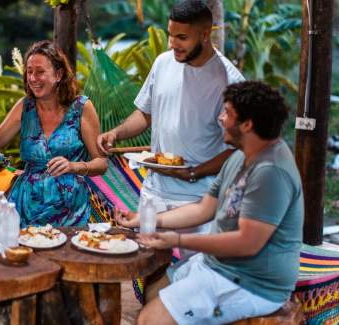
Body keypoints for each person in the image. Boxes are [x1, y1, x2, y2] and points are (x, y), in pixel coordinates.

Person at [116, 81, 304, 324]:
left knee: (150, 319)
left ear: (247, 125)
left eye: (227, 113)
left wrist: (178, 240)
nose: (220, 118)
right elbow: (204, 208)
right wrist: (146, 219)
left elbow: (247, 244)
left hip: (252, 283)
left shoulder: (270, 172)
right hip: (220, 267)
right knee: (155, 288)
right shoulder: (239, 157)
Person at [97, 0, 244, 235]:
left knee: (193, 269)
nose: (172, 43)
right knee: (149, 266)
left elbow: (239, 148)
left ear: (205, 34)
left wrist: (195, 172)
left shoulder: (229, 80)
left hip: (198, 200)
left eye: (182, 37)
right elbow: (145, 114)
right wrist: (116, 133)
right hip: (152, 192)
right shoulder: (163, 63)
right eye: (170, 35)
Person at [0, 40, 107, 227]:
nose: (33, 78)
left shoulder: (81, 107)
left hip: (71, 211)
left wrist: (73, 166)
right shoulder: (24, 107)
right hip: (26, 207)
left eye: (40, 72)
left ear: (58, 74)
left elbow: (101, 163)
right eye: (29, 71)